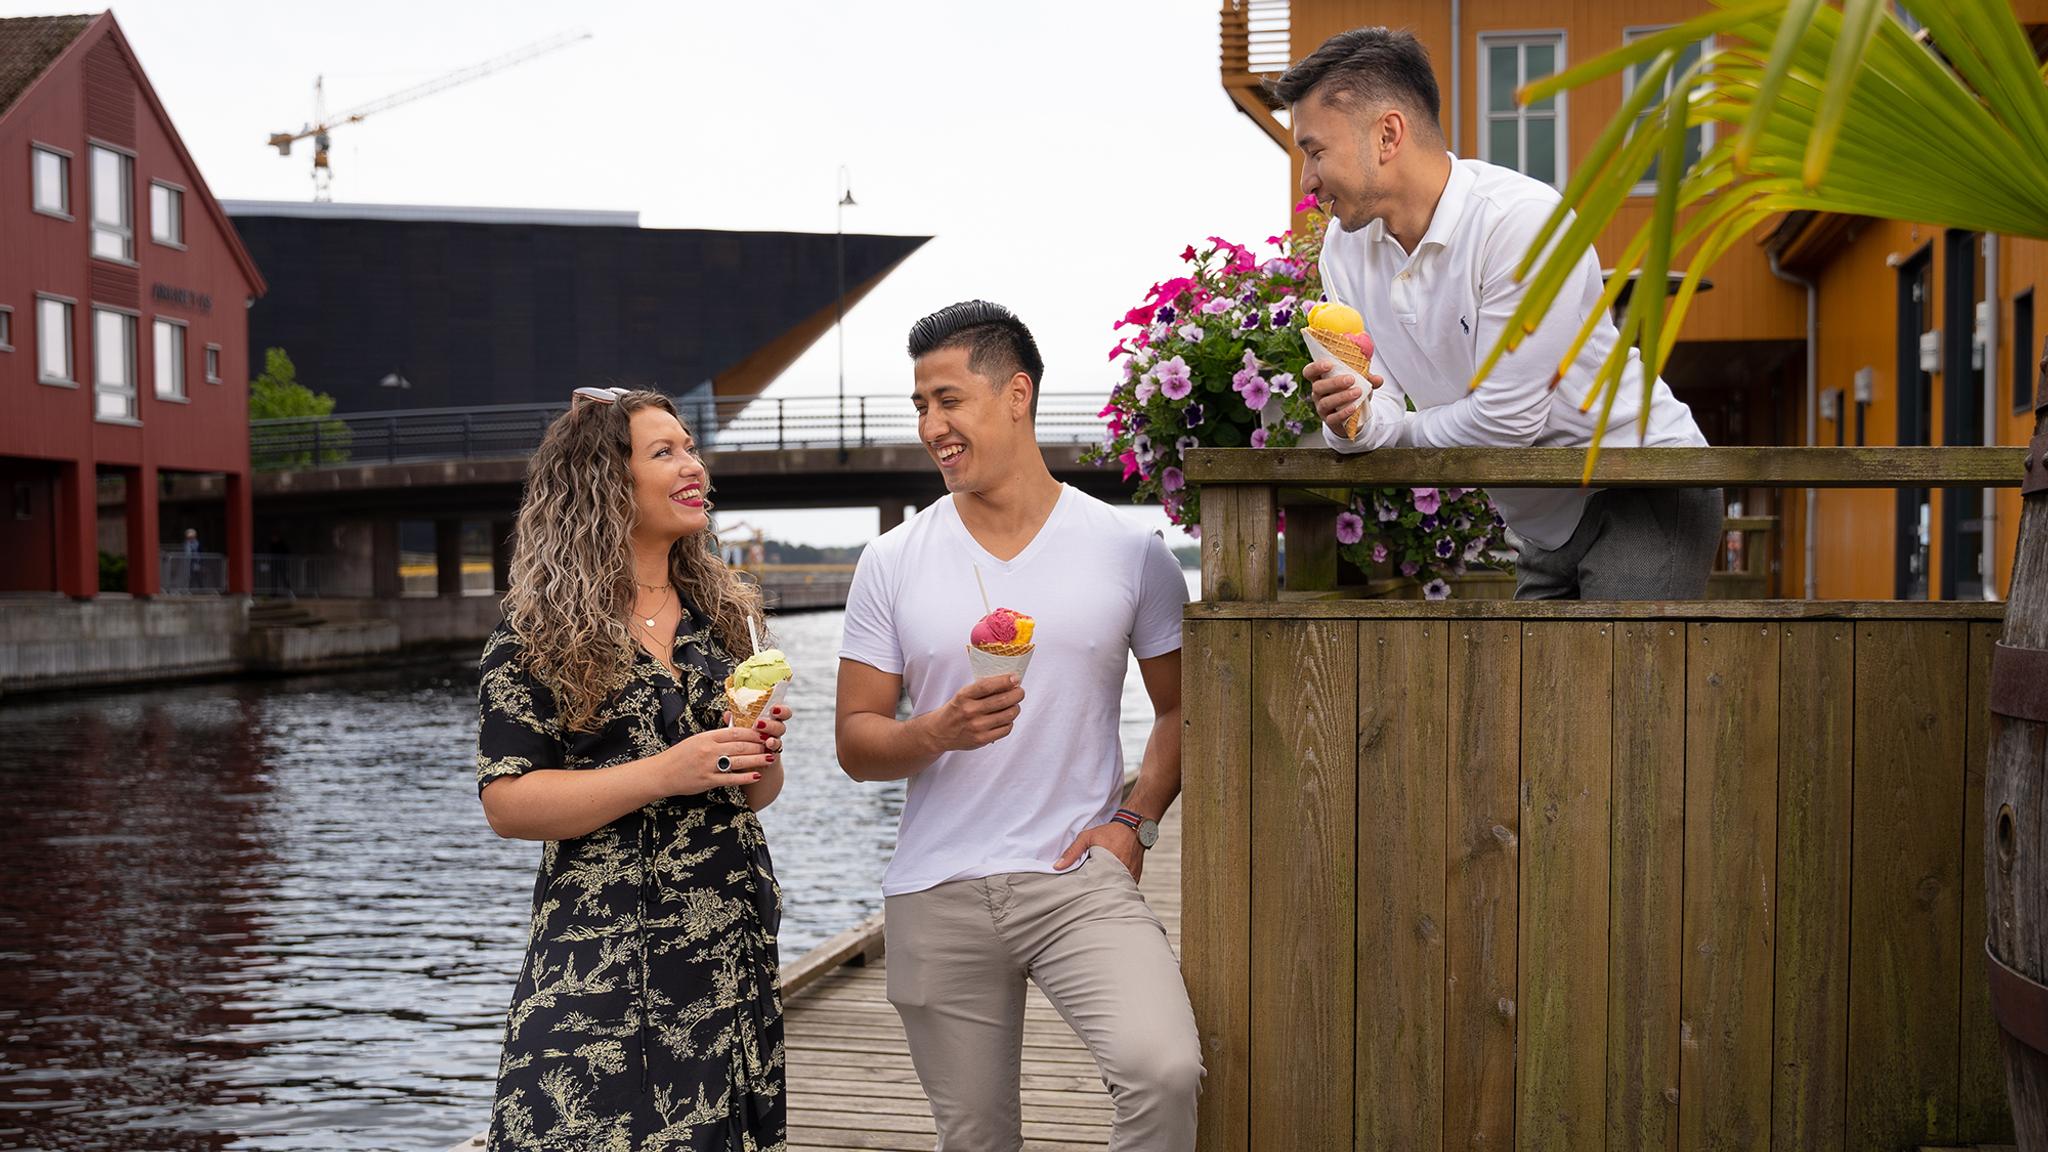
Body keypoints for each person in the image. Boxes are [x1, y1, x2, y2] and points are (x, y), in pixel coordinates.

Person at [835, 301, 1203, 1149]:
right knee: (977, 1140)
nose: (932, 426)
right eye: (920, 406)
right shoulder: (891, 560)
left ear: (1016, 395)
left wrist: (1137, 819)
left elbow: (1183, 707)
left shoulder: (1129, 551)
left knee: (1163, 1071)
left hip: (1078, 877)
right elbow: (856, 740)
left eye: (949, 400)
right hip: (936, 887)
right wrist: (936, 732)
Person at [1280, 27, 1723, 600]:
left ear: (1387, 135)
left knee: (1614, 664)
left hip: (1642, 480)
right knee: (1537, 666)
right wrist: (1348, 420)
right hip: (1539, 516)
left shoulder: (1522, 222)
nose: (1308, 180)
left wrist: (1394, 431)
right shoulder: (1343, 250)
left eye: (1315, 151)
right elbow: (1373, 408)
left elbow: (1507, 423)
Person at [474, 386, 790, 1151]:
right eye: (665, 452)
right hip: (598, 964)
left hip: (723, 951)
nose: (694, 466)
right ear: (605, 481)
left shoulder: (728, 618)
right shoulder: (537, 630)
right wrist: (664, 771)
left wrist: (757, 751)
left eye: (691, 448)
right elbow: (508, 802)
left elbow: (754, 796)